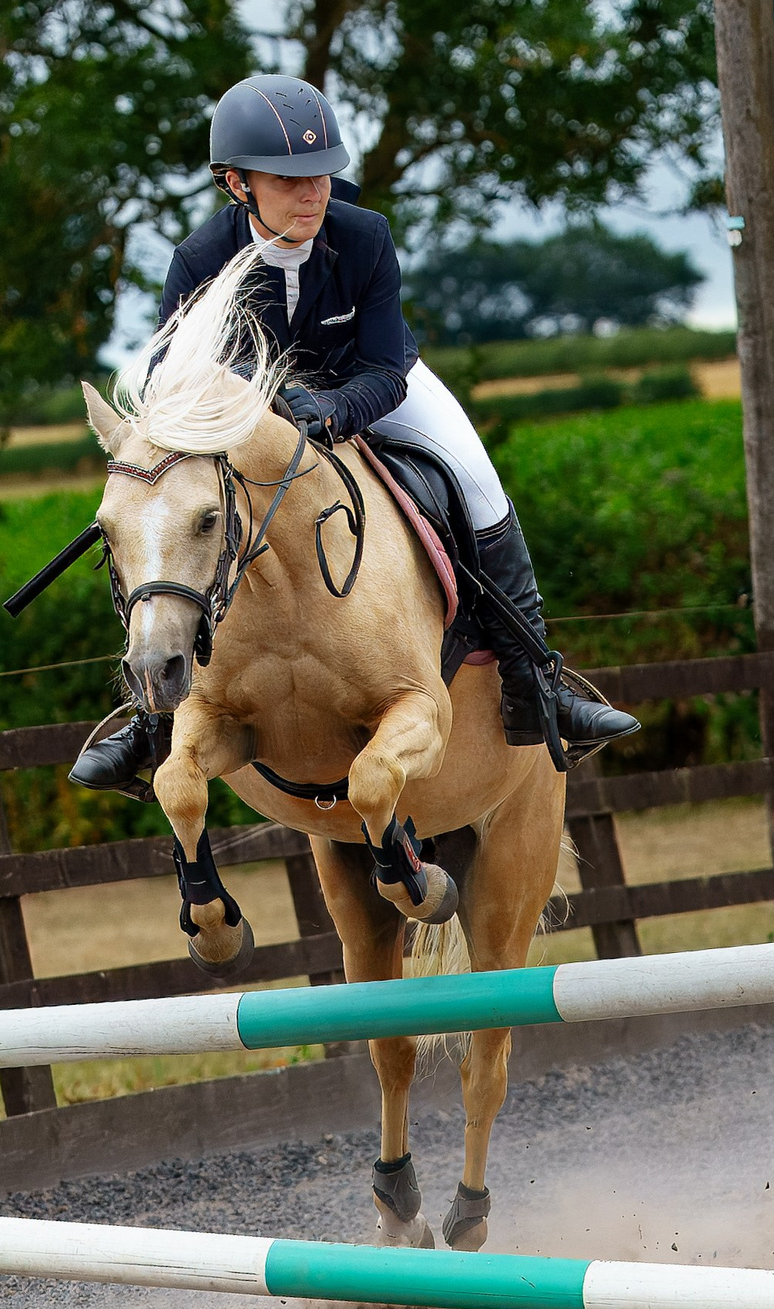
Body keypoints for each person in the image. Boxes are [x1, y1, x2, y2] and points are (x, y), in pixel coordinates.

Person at [70, 73, 641, 795]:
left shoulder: (365, 236)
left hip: (367, 388)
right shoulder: (200, 258)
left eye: (321, 174)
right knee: (159, 514)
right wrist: (267, 403)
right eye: (289, 179)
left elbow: (384, 368)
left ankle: (538, 685)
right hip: (248, 415)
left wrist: (334, 411)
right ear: (238, 183)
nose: (313, 193)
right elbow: (174, 376)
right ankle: (151, 723)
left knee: (477, 481)